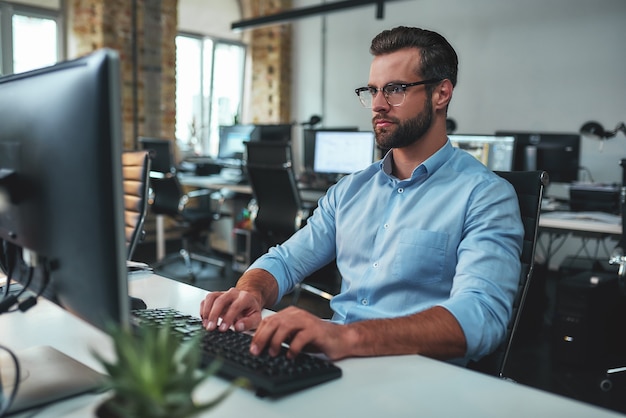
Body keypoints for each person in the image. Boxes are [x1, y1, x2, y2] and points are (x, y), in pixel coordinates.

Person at [200, 26, 523, 366]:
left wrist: (346, 337)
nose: (378, 105)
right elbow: (284, 260)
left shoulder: (486, 196)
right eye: (372, 91)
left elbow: (483, 317)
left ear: (441, 93)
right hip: (339, 361)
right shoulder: (350, 190)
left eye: (395, 89)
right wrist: (250, 292)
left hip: (416, 377)